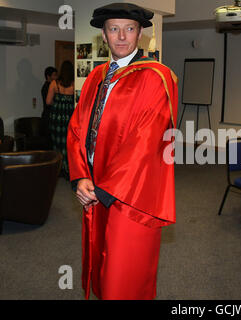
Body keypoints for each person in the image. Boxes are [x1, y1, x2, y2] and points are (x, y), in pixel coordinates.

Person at [67, 3, 178, 300]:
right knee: (102, 265)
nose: (121, 37)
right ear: (103, 35)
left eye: (129, 29)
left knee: (126, 272)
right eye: (113, 29)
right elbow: (77, 128)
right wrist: (80, 177)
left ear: (140, 34)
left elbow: (148, 141)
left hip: (133, 194)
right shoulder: (96, 76)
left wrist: (105, 189)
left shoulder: (157, 77)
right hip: (94, 186)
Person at [46, 60, 74, 178]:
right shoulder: (75, 83)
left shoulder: (54, 83)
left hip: (56, 118)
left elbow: (48, 101)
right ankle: (69, 169)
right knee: (68, 144)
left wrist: (57, 103)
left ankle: (58, 169)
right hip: (69, 117)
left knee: (57, 144)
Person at [41, 66, 57, 141]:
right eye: (54, 75)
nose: (56, 77)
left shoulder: (50, 86)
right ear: (48, 76)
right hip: (48, 116)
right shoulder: (47, 87)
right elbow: (49, 102)